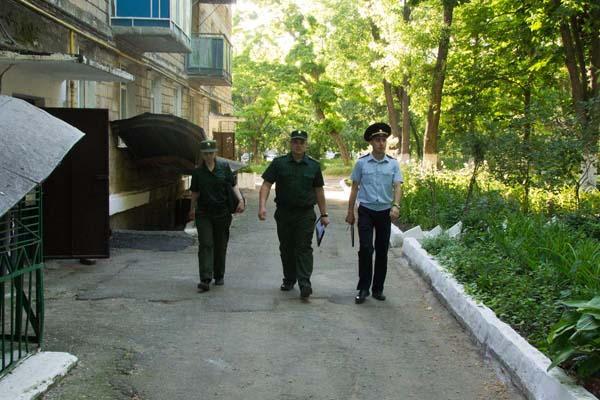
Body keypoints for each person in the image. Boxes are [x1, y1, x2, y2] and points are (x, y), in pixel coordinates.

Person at [258, 130, 330, 299]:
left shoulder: (313, 165)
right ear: (291, 144)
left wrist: (324, 214)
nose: (298, 145)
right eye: (295, 142)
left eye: (301, 142)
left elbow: (319, 190)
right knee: (286, 247)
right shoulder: (279, 163)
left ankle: (305, 283)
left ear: (306, 145)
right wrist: (262, 206)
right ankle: (289, 279)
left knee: (304, 247)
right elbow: (266, 184)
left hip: (305, 213)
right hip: (284, 213)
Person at [345, 122, 403, 304]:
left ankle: (378, 288)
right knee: (366, 249)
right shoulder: (362, 163)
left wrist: (396, 205)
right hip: (366, 211)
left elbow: (397, 186)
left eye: (384, 140)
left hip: (384, 212)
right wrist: (350, 211)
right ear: (371, 142)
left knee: (382, 250)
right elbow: (354, 188)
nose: (381, 143)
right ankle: (363, 288)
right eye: (377, 140)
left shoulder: (393, 164)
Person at [188, 139, 245, 292]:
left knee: (220, 244)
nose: (208, 156)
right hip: (204, 213)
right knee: (206, 244)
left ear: (215, 153)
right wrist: (192, 209)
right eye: (206, 154)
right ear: (202, 155)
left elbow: (233, 185)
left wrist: (240, 200)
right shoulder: (198, 172)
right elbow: (195, 192)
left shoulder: (224, 167)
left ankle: (219, 275)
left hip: (222, 213)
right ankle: (205, 278)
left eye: (211, 153)